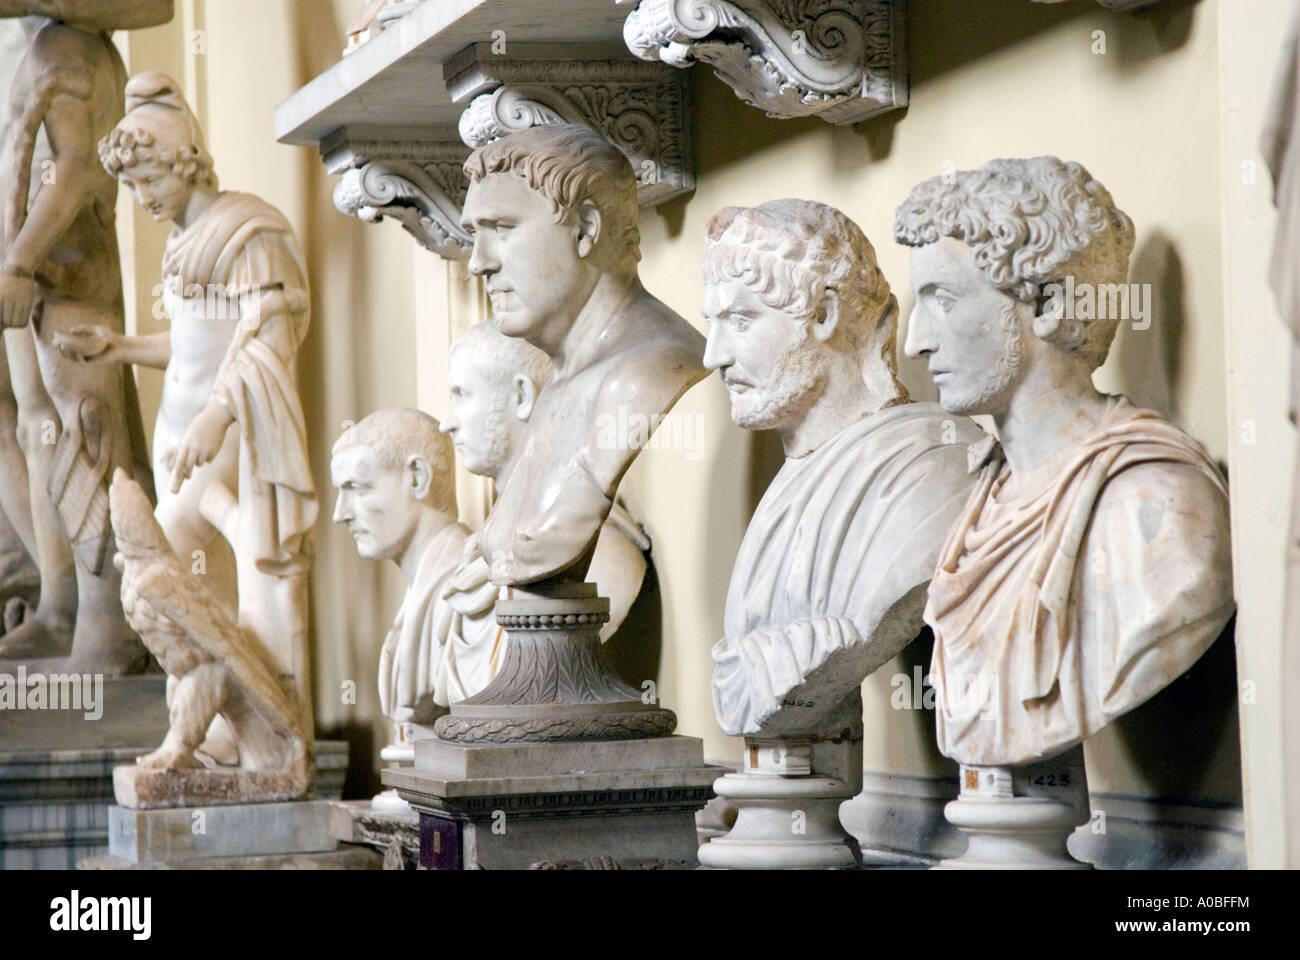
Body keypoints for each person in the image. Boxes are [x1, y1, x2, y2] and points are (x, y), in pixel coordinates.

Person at [894, 156, 1235, 768]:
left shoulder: (1156, 504)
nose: (917, 341)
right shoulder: (977, 500)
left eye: (941, 299)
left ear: (1048, 303)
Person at [701, 199, 983, 739]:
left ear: (825, 315)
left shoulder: (933, 470)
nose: (715, 355)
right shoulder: (793, 481)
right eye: (711, 324)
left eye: (741, 320)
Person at [457, 122, 706, 588]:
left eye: (502, 228)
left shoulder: (643, 377)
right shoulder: (560, 386)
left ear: (587, 228)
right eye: (474, 233)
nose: (478, 262)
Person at [0, 4, 170, 670]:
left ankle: (107, 631)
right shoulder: (48, 44)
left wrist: (20, 261)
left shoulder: (69, 49)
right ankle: (63, 607)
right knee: (41, 435)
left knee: (91, 441)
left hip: (68, 273)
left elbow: (73, 169)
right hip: (41, 273)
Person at [441, 319, 650, 641]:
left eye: (461, 395)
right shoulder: (487, 549)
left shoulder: (598, 556)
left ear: (521, 396)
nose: (446, 423)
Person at [332, 407, 502, 722]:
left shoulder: (470, 594)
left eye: (356, 488)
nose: (340, 513)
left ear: (417, 477)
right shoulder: (426, 589)